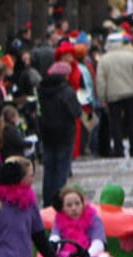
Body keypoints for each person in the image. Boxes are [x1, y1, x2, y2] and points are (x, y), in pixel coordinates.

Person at [49, 184, 132, 257]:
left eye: (77, 204)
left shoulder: (93, 219)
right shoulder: (59, 220)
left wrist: (88, 254)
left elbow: (99, 241)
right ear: (63, 208)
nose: (74, 208)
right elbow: (55, 236)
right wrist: (53, 245)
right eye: (69, 205)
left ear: (83, 204)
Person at [36, 62, 82, 208]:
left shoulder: (41, 89)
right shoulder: (66, 91)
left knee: (49, 169)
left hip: (46, 133)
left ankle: (47, 200)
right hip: (64, 133)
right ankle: (59, 200)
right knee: (62, 168)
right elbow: (76, 111)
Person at [95, 32, 133, 159]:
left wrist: (102, 97)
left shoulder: (104, 60)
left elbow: (100, 81)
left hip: (113, 96)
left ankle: (119, 149)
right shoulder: (130, 57)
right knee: (132, 123)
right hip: (130, 93)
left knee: (115, 124)